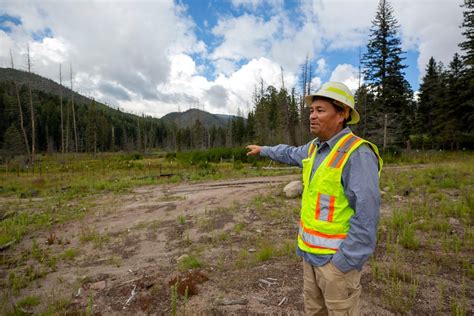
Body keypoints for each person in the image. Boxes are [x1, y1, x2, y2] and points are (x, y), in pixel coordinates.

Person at [246, 81, 382, 316]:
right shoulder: (314, 148)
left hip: (336, 264)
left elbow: (367, 214)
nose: (312, 116)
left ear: (342, 114)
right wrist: (264, 149)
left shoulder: (357, 153)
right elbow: (289, 153)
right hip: (310, 256)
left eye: (320, 110)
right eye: (311, 110)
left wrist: (344, 262)